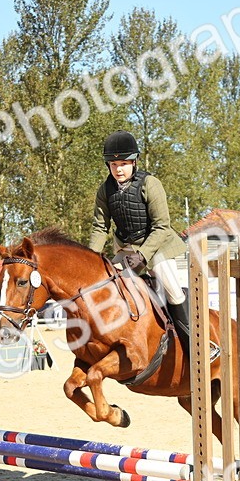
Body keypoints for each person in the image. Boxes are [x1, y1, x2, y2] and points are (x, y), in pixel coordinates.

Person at [87, 130, 195, 355]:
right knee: (101, 286)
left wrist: (143, 255)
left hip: (157, 248)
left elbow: (161, 226)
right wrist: (91, 258)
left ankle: (195, 346)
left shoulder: (150, 184)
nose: (118, 169)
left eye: (124, 163)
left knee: (173, 292)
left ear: (134, 162)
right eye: (114, 164)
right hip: (126, 249)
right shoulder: (105, 190)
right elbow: (100, 227)